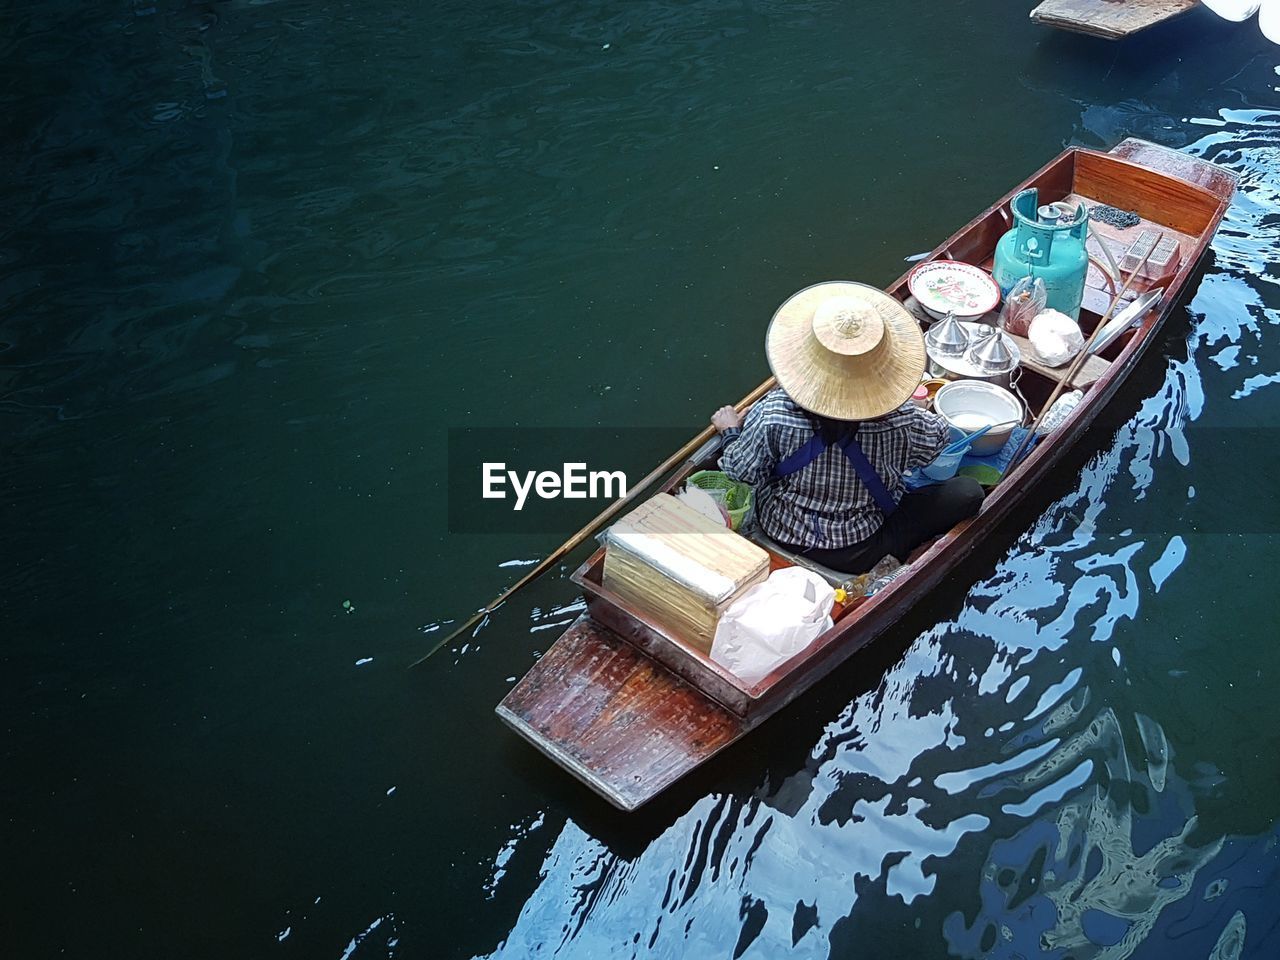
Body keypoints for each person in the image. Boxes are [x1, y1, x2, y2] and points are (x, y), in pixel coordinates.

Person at [711, 281, 982, 574]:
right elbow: (939, 438)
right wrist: (912, 407)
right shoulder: (903, 421)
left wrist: (731, 431)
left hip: (781, 532)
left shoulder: (772, 413)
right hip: (860, 550)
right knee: (967, 492)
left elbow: (740, 473)